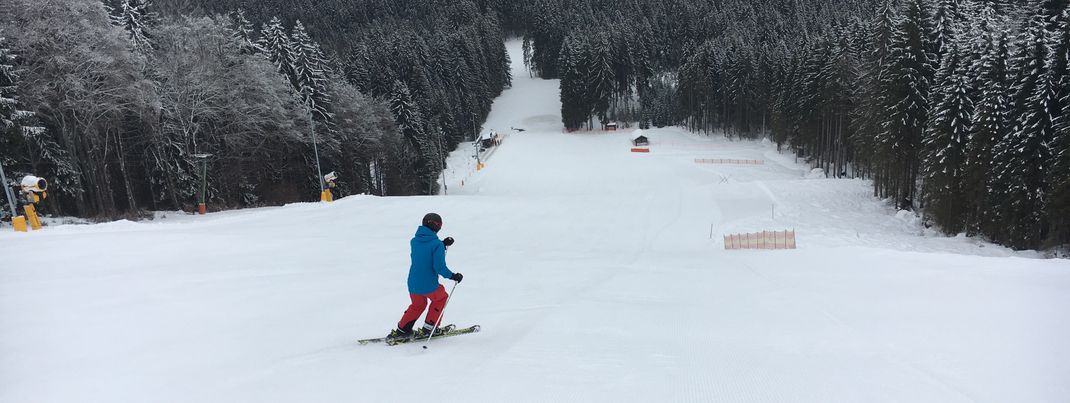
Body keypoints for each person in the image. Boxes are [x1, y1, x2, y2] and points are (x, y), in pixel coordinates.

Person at [389, 213, 463, 339]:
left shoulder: (414, 241)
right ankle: (430, 328)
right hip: (428, 284)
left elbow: (425, 250)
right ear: (437, 226)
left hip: (413, 283)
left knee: (418, 305)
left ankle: (402, 330)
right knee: (441, 298)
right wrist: (453, 276)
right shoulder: (436, 244)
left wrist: (442, 244)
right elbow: (439, 267)